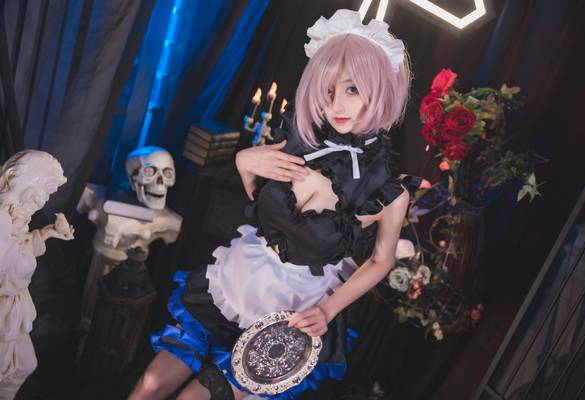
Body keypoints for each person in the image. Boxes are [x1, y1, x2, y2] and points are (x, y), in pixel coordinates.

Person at [130, 9, 416, 400]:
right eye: (328, 90)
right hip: (237, 279)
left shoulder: (386, 191)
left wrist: (329, 311)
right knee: (147, 387)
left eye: (352, 89)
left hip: (292, 312)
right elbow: (257, 199)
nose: (337, 105)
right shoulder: (296, 142)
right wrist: (243, 160)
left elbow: (381, 261)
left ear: (380, 89)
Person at [0, 150, 74, 399]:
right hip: (3, 314)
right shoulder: (2, 219)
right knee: (14, 369)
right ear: (29, 183)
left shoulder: (16, 215)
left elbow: (16, 250)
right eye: (46, 191)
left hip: (12, 308)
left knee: (23, 366)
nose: (44, 200)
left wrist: (46, 234)